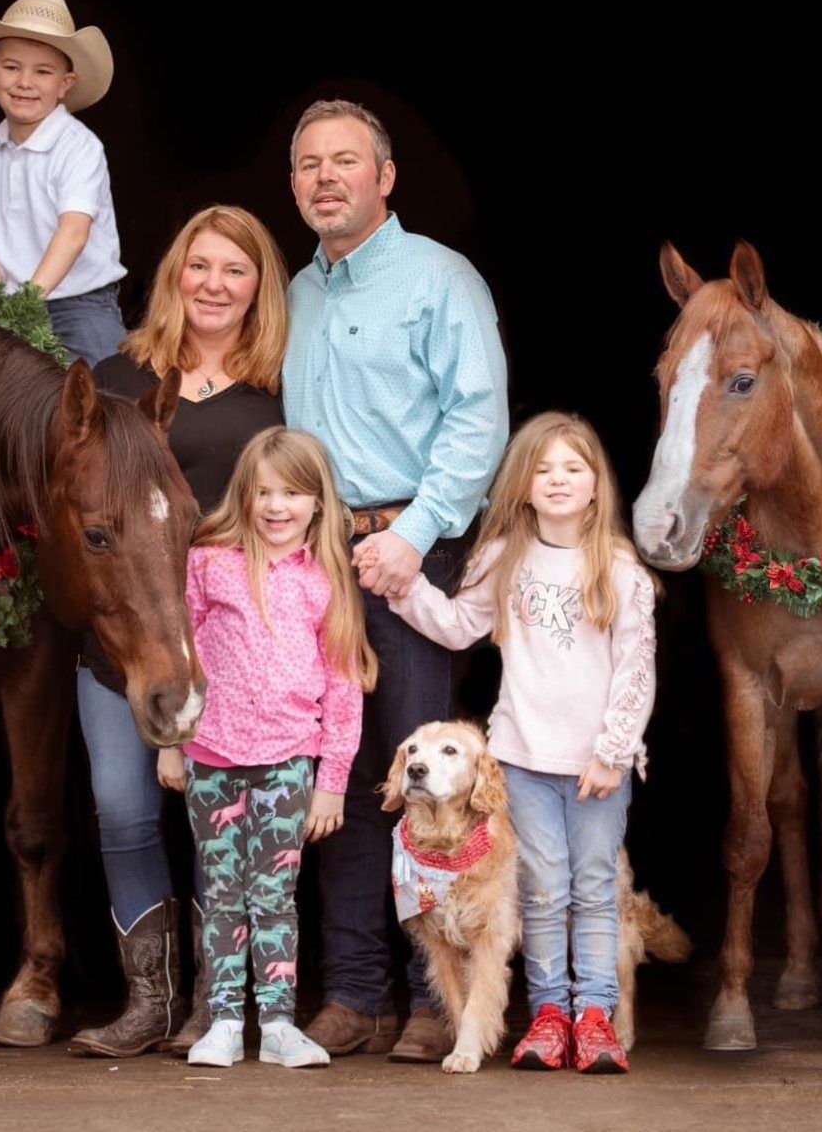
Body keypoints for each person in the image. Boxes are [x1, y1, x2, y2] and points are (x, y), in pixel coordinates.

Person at [282, 99, 509, 1061]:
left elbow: (478, 419)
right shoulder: (294, 291)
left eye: (345, 161)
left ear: (386, 176)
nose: (325, 177)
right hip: (317, 563)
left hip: (414, 558)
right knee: (336, 775)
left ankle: (432, 1001)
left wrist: (414, 538)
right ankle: (356, 993)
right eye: (307, 165)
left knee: (427, 786)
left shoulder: (439, 279)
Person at [68, 206, 287, 1060]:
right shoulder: (117, 377)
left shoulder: (279, 388)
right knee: (123, 812)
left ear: (258, 286)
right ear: (173, 275)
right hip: (121, 635)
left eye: (235, 270)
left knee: (216, 817)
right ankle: (147, 1002)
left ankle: (215, 1001)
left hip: (226, 640)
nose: (214, 285)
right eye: (199, 266)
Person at [387, 412, 657, 1074]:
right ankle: (547, 1016)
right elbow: (457, 626)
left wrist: (613, 751)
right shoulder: (503, 555)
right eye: (543, 469)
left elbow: (636, 666)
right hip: (520, 759)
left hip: (597, 762)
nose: (558, 480)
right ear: (523, 483)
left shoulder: (620, 567)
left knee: (592, 886)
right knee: (540, 889)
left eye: (574, 468)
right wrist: (402, 586)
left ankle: (594, 1015)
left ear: (598, 485)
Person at [158, 427, 378, 1067]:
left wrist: (332, 779)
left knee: (275, 896)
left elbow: (343, 687)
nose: (277, 506)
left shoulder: (326, 581)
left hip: (288, 761)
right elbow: (182, 657)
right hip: (212, 757)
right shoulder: (209, 562)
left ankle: (278, 1024)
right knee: (223, 893)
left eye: (293, 493)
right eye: (263, 492)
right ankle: (225, 1021)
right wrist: (171, 744)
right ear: (243, 497)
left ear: (318, 502)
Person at [0, 0, 125, 366]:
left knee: (105, 399)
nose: (25, 82)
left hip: (79, 304)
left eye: (43, 71)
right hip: (11, 306)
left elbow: (74, 233)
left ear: (65, 84)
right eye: (12, 67)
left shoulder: (79, 146)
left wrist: (29, 301)